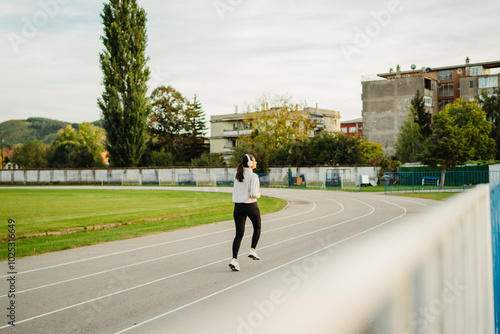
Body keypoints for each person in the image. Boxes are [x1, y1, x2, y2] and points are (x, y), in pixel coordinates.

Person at [229, 154, 261, 271]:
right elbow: (253, 193)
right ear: (250, 163)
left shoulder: (238, 175)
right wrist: (259, 194)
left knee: (239, 234)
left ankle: (234, 259)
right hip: (251, 205)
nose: (256, 162)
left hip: (238, 207)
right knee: (257, 228)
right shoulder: (254, 176)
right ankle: (252, 250)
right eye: (254, 160)